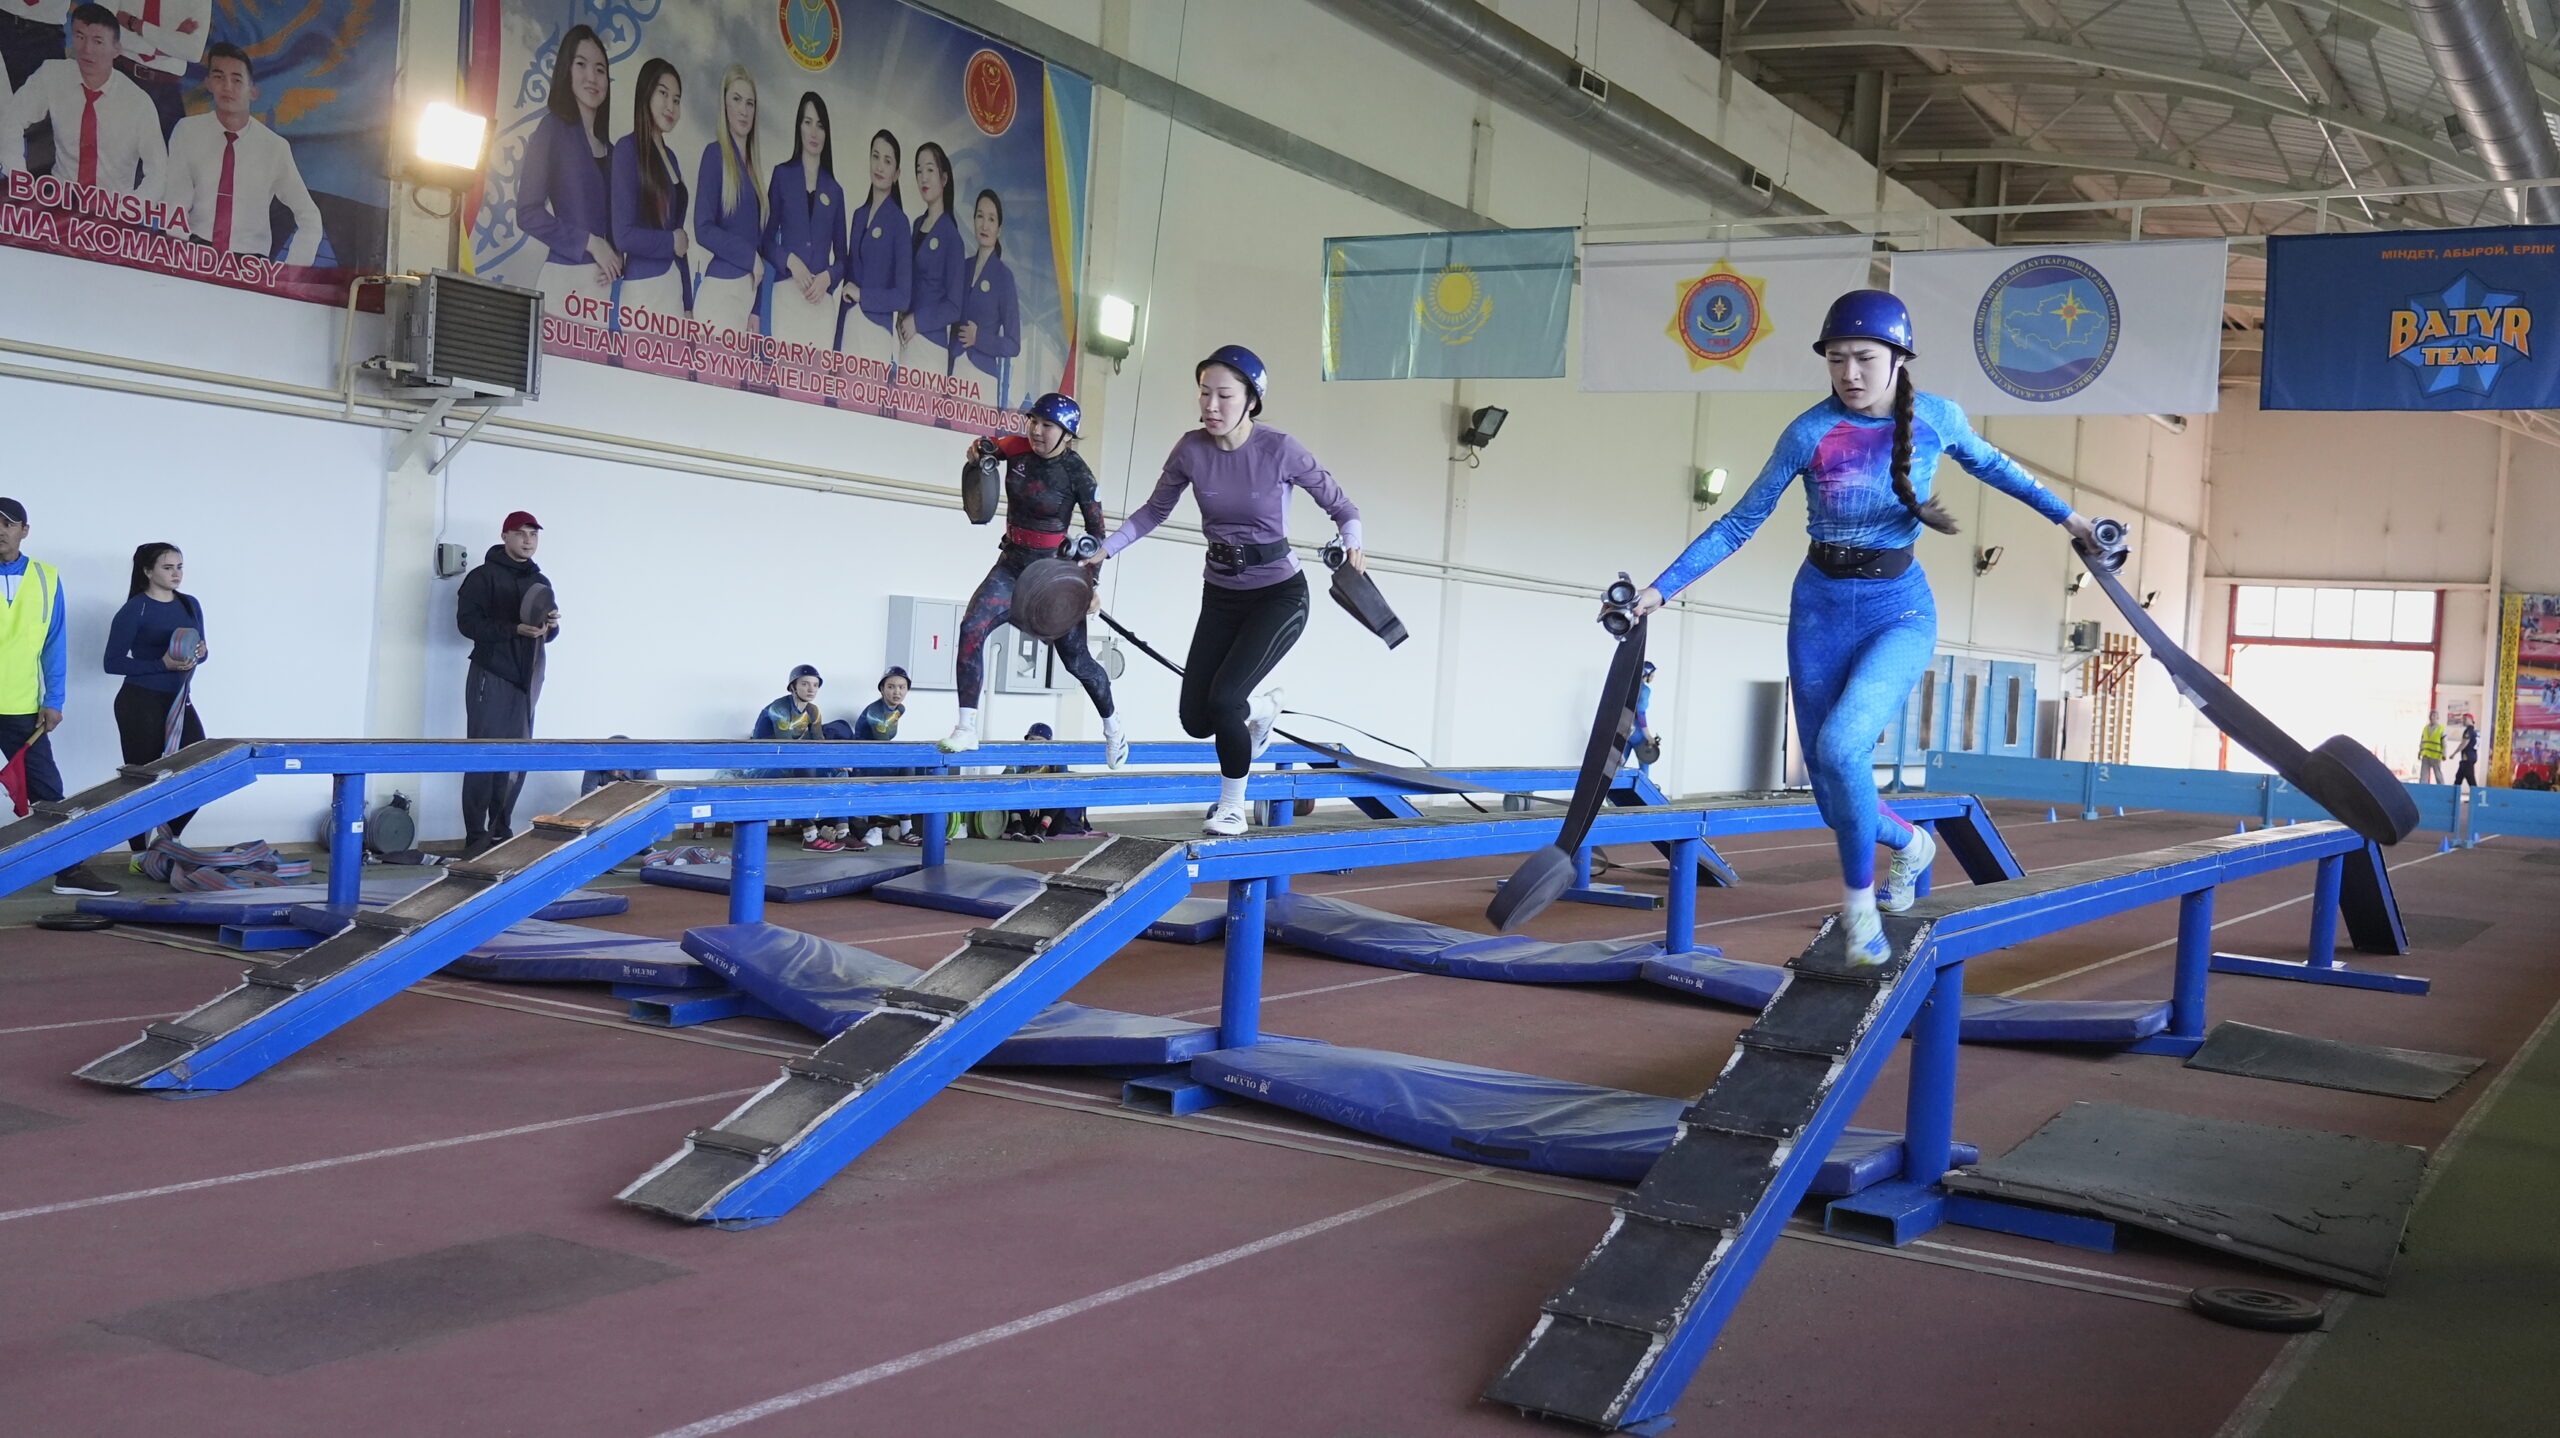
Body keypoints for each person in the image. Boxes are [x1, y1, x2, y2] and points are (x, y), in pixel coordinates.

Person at [1625, 290, 2097, 965]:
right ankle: (1911, 843)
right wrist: (1658, 590)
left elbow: (1996, 468)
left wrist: (2072, 520)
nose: (1849, 373)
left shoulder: (1937, 418)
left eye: (1865, 358)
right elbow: (1738, 523)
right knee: (1832, 796)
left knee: (1844, 746)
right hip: (1818, 610)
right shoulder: (1808, 432)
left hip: (1897, 609)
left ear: (1899, 359)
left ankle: (1859, 909)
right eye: (1836, 359)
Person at [1086, 345, 1364, 836]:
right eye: (1204, 393)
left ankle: (1232, 806)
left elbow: (1342, 507)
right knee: (1197, 719)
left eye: (1225, 395)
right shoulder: (1191, 450)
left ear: (1251, 400)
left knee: (1226, 700)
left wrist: (1352, 542)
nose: (1211, 405)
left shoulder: (1281, 449)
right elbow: (1153, 511)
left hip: (1279, 594)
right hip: (1219, 594)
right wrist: (1105, 551)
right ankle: (1265, 709)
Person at [939, 392, 1126, 765]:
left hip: (1052, 577)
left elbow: (1097, 535)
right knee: (971, 627)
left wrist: (1091, 585)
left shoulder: (1079, 474)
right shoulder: (1017, 448)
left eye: (1048, 426)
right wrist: (977, 450)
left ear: (1067, 434)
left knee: (1077, 662)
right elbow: (988, 447)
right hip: (1011, 565)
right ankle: (966, 727)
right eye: (1034, 421)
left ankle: (1113, 728)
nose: (1037, 431)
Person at [0, 497, 120, 896]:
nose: (0, 530)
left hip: (21, 706)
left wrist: (55, 699)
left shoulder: (46, 577)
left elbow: (55, 644)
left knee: (48, 792)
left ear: (24, 531)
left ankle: (70, 871)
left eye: (8, 523)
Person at [454, 511, 559, 857]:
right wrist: (513, 629)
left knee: (516, 758)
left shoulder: (540, 580)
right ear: (505, 536)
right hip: (491, 674)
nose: (528, 540)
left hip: (527, 679)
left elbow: (548, 631)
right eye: (521, 533)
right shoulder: (482, 577)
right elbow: (467, 624)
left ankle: (501, 831)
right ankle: (476, 837)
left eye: (533, 534)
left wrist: (551, 626)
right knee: (483, 755)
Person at [165, 44, 322, 265]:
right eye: (218, 77)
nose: (227, 86)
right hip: (194, 250)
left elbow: (309, 216)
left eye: (237, 80)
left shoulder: (274, 147)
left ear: (253, 91)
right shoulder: (187, 131)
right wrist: (177, 253)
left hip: (250, 263)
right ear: (208, 83)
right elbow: (176, 200)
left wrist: (292, 271)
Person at [102, 541, 207, 856]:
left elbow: (201, 651)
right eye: (168, 567)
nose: (176, 574)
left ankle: (168, 841)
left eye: (180, 567)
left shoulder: (190, 604)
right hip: (140, 702)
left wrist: (201, 653)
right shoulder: (135, 609)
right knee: (141, 781)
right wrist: (161, 664)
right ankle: (139, 854)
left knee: (202, 769)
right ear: (147, 571)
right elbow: (112, 663)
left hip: (178, 702)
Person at [0, 5, 164, 198]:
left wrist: (131, 208)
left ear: (116, 49)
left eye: (98, 41)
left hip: (111, 206)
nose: (87, 49)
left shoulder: (138, 102)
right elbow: (11, 118)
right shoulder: (53, 74)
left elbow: (158, 171)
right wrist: (17, 175)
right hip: (60, 199)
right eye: (80, 37)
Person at [516, 24, 616, 326]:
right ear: (566, 71)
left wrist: (617, 256)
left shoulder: (613, 151)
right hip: (564, 283)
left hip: (603, 293)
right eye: (581, 64)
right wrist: (591, 243)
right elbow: (528, 213)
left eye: (600, 69)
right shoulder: (552, 129)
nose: (592, 77)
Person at [761, 91, 843, 358]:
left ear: (827, 133)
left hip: (820, 303)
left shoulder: (835, 190)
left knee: (815, 380)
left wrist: (828, 277)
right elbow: (765, 241)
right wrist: (790, 261)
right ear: (799, 126)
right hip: (787, 296)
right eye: (808, 122)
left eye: (820, 125)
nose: (814, 132)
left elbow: (843, 258)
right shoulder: (782, 175)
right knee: (786, 377)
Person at [609, 58, 690, 328]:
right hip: (645, 291)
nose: (671, 106)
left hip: (674, 289)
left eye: (676, 100)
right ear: (646, 93)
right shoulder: (627, 150)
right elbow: (623, 235)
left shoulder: (672, 158)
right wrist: (670, 241)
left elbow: (680, 237)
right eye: (663, 94)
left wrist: (688, 304)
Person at [691, 63, 763, 343]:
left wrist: (756, 309)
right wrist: (749, 257)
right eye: (736, 99)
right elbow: (703, 228)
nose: (744, 110)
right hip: (721, 295)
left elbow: (757, 243)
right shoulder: (715, 154)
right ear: (724, 104)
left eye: (750, 103)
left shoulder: (754, 171)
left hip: (745, 299)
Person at [751, 663, 846, 850]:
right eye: (805, 684)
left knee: (840, 773)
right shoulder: (779, 708)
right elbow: (787, 747)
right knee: (804, 768)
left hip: (791, 761)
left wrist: (834, 763)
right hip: (764, 763)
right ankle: (810, 836)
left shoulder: (813, 710)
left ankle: (843, 832)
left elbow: (819, 743)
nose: (811, 689)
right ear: (793, 686)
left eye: (815, 685)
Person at [842, 128, 911, 379]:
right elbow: (848, 280)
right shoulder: (859, 216)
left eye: (887, 161)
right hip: (850, 326)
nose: (880, 166)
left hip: (875, 332)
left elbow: (903, 297)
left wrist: (863, 295)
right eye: (875, 156)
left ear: (897, 173)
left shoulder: (899, 222)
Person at [898, 141, 963, 377]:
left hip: (929, 345)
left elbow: (954, 307)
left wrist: (917, 321)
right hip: (906, 340)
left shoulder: (952, 237)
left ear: (944, 178)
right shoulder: (917, 225)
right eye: (919, 171)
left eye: (929, 170)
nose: (923, 178)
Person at [954, 188, 1018, 402]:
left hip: (981, 374)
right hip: (953, 369)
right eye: (980, 216)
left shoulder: (1004, 277)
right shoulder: (963, 268)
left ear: (999, 229)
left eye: (991, 219)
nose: (984, 225)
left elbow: (1013, 344)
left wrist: (979, 338)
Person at [850, 666, 922, 847]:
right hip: (863, 764)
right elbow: (882, 745)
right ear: (882, 689)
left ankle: (909, 828)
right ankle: (906, 830)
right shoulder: (875, 713)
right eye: (891, 687)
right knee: (907, 767)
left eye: (901, 687)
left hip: (879, 759)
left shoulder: (899, 709)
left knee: (916, 768)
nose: (897, 692)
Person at [109, 0, 203, 137]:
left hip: (166, 91)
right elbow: (105, 29)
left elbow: (193, 51)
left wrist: (135, 24)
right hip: (122, 76)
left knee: (169, 147)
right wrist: (169, 43)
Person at [1003, 723, 1090, 842]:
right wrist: (1029, 797)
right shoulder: (1019, 757)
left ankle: (1042, 828)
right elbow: (1005, 780)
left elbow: (1062, 784)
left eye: (1039, 740)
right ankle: (1017, 825)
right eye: (1031, 739)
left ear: (1048, 742)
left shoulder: (1057, 758)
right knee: (1009, 788)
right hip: (1025, 811)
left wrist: (1040, 798)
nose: (1034, 744)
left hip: (1049, 818)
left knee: (1061, 791)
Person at [2416, 709, 2446, 786]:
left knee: (2438, 774)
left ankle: (2442, 788)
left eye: (2434, 715)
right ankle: (2422, 789)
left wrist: (2444, 754)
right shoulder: (2426, 728)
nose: (2432, 717)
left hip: (2436, 756)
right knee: (2423, 775)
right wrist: (2419, 752)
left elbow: (2444, 743)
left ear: (2437, 717)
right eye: (2431, 715)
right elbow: (2422, 741)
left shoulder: (2441, 728)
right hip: (2426, 755)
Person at [2453, 713, 2480, 789]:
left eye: (2465, 719)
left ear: (2470, 719)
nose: (2463, 721)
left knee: (2471, 781)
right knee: (2458, 779)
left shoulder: (2469, 731)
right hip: (2469, 758)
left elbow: (2464, 743)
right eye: (2463, 719)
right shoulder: (2476, 732)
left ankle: (2477, 795)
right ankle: (2453, 794)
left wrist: (2454, 753)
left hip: (2467, 759)